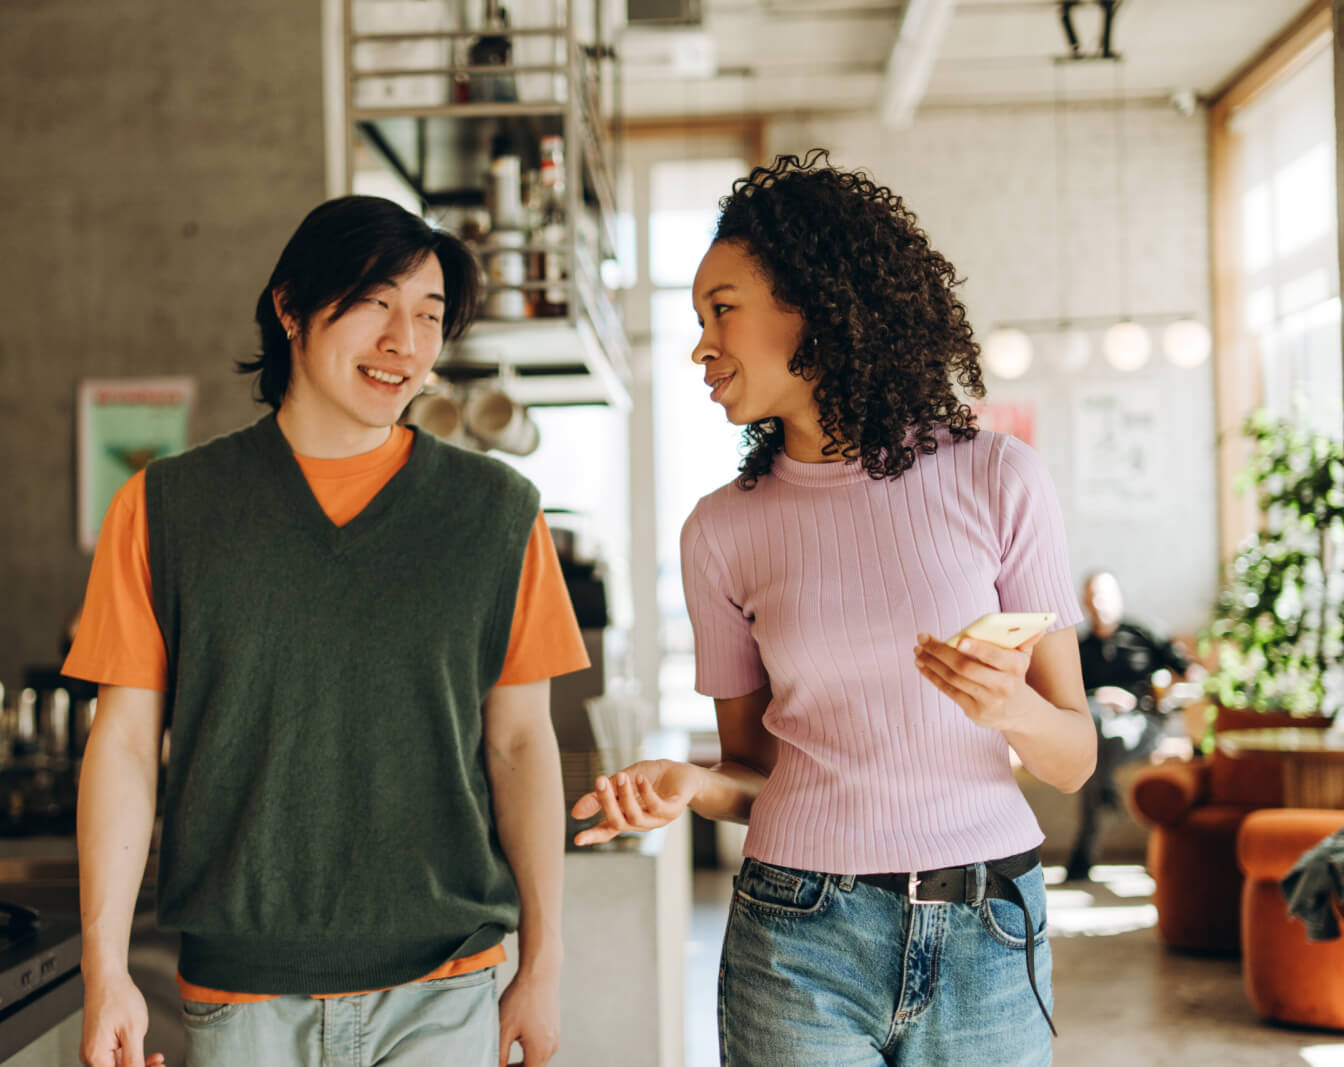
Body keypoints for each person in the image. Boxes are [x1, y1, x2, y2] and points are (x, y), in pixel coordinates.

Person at [570, 152, 1095, 1066]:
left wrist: (1006, 705)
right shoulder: (720, 533)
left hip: (990, 925)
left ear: (813, 302)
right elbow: (754, 771)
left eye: (721, 309)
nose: (701, 344)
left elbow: (1076, 754)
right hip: (798, 930)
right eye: (697, 318)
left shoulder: (997, 476)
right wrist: (695, 785)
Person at [65, 195, 587, 1067]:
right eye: (375, 303)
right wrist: (104, 968)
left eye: (427, 316)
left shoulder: (498, 513)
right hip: (242, 1000)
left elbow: (523, 745)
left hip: (446, 985)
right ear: (289, 306)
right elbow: (121, 744)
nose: (404, 343)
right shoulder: (166, 507)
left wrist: (545, 961)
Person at [1066, 570, 1202, 882]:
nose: (1099, 603)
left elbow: (1189, 671)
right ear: (1085, 602)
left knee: (1094, 752)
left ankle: (1084, 849)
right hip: (1099, 727)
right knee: (1096, 719)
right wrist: (1101, 695)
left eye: (1105, 595)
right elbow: (1066, 695)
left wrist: (1169, 691)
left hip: (1143, 724)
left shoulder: (1144, 634)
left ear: (1118, 597)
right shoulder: (1080, 648)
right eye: (1093, 596)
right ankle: (1107, 789)